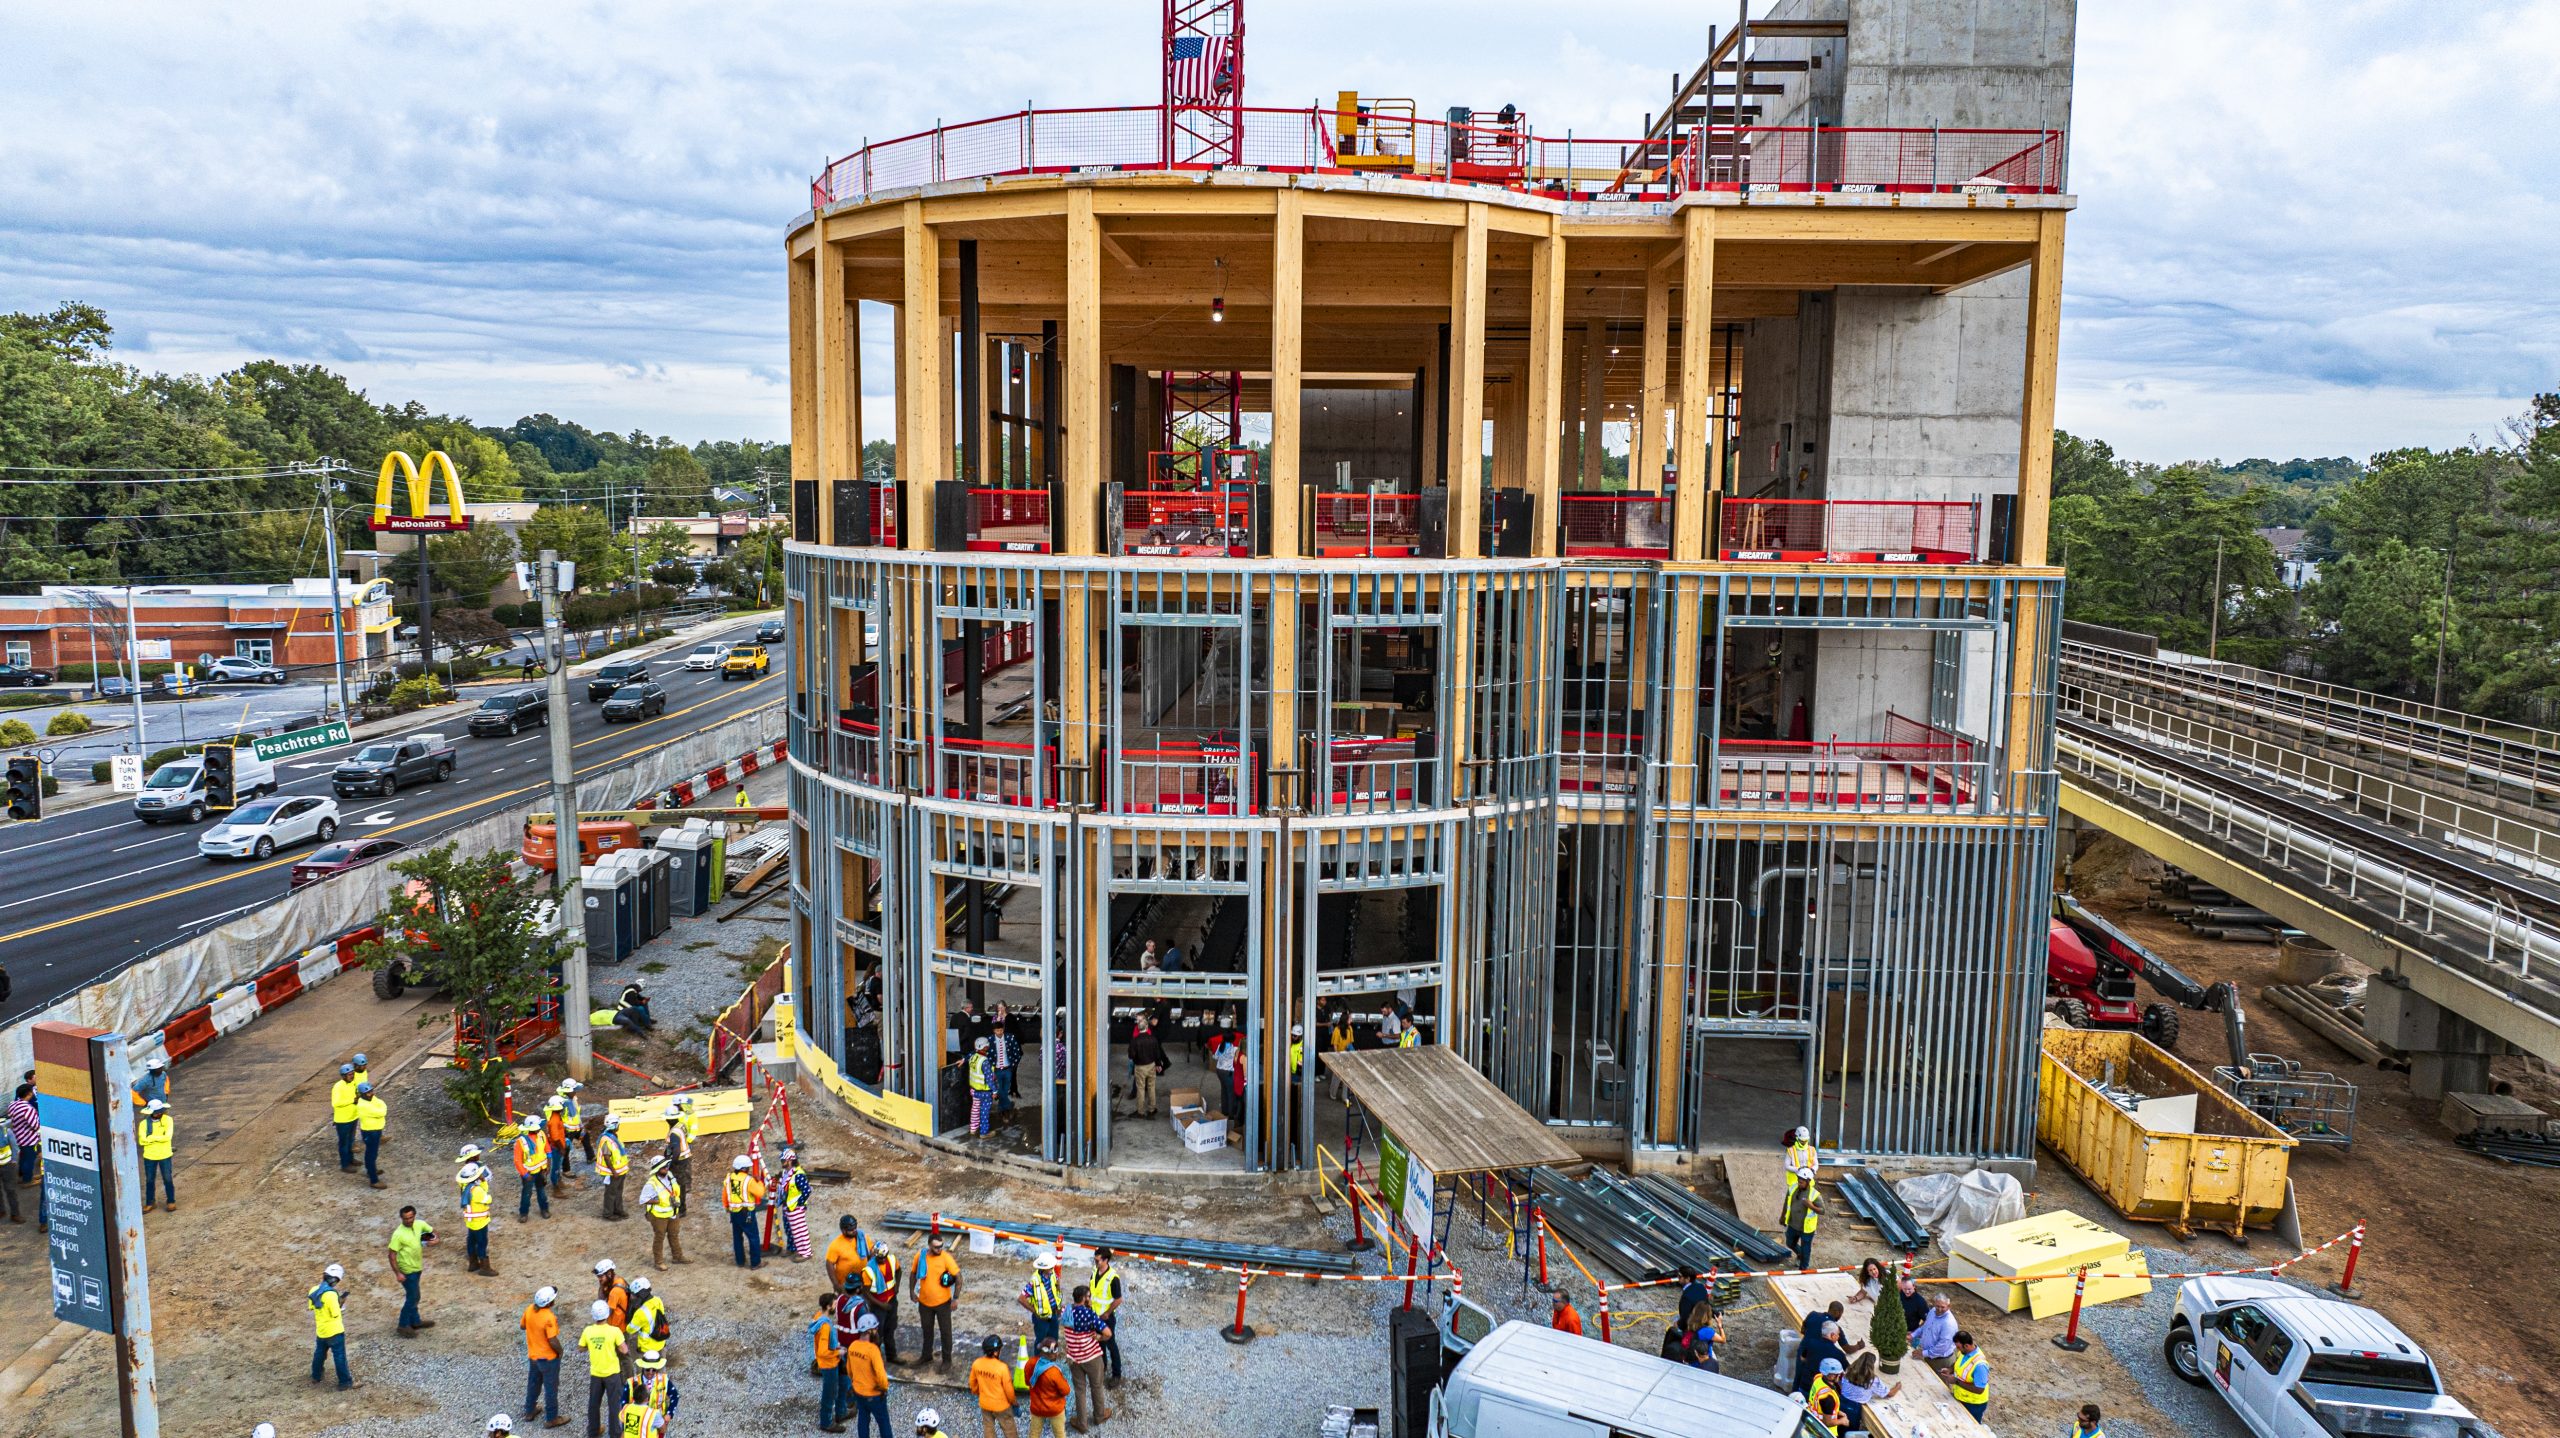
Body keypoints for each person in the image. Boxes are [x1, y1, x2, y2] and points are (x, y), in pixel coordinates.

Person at [910, 1229, 962, 1371]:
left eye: (941, 1246)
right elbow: (913, 1274)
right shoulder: (920, 1257)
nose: (939, 1249)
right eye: (936, 1247)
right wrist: (911, 1291)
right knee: (927, 1330)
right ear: (929, 1246)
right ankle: (926, 1356)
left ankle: (947, 1360)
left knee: (946, 1332)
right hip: (924, 1303)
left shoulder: (946, 1258)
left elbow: (959, 1277)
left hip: (943, 1304)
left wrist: (955, 1298)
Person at [1062, 1286, 1112, 1430]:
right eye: (1088, 1296)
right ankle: (1099, 1416)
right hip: (1091, 1358)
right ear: (1084, 1298)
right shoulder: (1089, 1315)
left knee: (1080, 1390)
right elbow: (1108, 1333)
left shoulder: (1066, 1311)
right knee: (1096, 1387)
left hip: (1074, 1358)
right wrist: (1099, 1337)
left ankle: (1082, 1424)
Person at [579, 1297, 630, 1438]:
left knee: (594, 1404)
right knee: (614, 1405)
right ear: (607, 1314)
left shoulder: (588, 1331)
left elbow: (581, 1348)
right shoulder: (614, 1331)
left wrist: (592, 1345)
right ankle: (615, 1433)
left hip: (596, 1373)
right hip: (612, 1373)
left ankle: (593, 1431)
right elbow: (624, 1350)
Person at [387, 1204, 437, 1335]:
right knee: (413, 1297)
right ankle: (403, 1325)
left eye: (410, 1217)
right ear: (401, 1218)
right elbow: (391, 1255)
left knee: (414, 1296)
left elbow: (432, 1234)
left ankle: (415, 1321)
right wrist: (398, 1273)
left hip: (417, 1267)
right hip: (407, 1271)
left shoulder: (419, 1224)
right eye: (406, 1218)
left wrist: (432, 1240)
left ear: (414, 1216)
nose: (408, 1221)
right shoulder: (398, 1234)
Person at [523, 1286, 567, 1430]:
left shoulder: (529, 1309)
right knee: (551, 1388)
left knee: (533, 1383)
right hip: (548, 1359)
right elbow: (552, 1340)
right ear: (549, 1303)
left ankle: (529, 1411)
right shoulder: (548, 1317)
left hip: (533, 1357)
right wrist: (560, 1351)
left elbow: (522, 1326)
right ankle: (552, 1418)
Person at [844, 1308, 892, 1438]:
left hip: (859, 1392)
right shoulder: (873, 1350)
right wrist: (883, 1387)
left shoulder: (853, 1346)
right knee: (883, 1423)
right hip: (874, 1394)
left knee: (863, 1421)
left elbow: (849, 1370)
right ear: (870, 1331)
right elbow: (881, 1375)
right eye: (875, 1329)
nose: (876, 1331)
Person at [308, 1262, 352, 1390]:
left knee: (319, 1353)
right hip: (335, 1331)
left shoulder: (313, 1290)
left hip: (321, 1330)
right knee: (339, 1356)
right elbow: (335, 1313)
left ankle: (316, 1376)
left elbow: (312, 1306)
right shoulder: (331, 1295)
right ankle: (345, 1382)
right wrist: (341, 1302)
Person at [814, 1291, 852, 1434]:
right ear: (829, 1306)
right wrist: (838, 1352)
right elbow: (823, 1351)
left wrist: (836, 1346)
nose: (837, 1307)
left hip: (832, 1361)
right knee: (829, 1393)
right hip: (828, 1364)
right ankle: (826, 1422)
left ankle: (841, 1411)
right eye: (835, 1304)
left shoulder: (819, 1317)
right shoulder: (825, 1327)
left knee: (842, 1383)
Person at [968, 1334, 1020, 1438]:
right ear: (996, 1352)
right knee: (1009, 1430)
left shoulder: (977, 1364)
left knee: (988, 1429)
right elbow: (1009, 1391)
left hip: (985, 1403)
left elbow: (972, 1384)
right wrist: (1014, 1403)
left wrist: (979, 1393)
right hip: (1001, 1406)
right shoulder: (1002, 1368)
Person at [723, 1153, 768, 1268]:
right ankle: (755, 1262)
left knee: (737, 1237)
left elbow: (725, 1195)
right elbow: (760, 1192)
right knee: (753, 1237)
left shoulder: (729, 1178)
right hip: (746, 1213)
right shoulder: (749, 1180)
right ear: (744, 1168)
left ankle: (740, 1261)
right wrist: (759, 1181)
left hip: (734, 1213)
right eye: (748, 1167)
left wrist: (727, 1207)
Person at [1022, 1336, 1072, 1438]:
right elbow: (1066, 1390)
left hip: (1037, 1407)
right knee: (1060, 1434)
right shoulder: (1054, 1372)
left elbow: (1027, 1382)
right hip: (1054, 1409)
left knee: (1034, 1433)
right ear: (1053, 1353)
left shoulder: (1031, 1363)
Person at [641, 1156, 686, 1268]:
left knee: (674, 1235)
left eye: (667, 1166)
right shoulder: (651, 1184)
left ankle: (678, 1256)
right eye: (663, 1167)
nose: (666, 1168)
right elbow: (643, 1199)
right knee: (659, 1237)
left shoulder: (670, 1176)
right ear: (657, 1169)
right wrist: (658, 1201)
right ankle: (659, 1262)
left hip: (672, 1212)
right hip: (658, 1216)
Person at [1087, 1249, 1123, 1387]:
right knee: (1099, 1343)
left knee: (1111, 1344)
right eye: (1095, 1260)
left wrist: (1107, 1313)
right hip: (1095, 1316)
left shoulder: (1113, 1278)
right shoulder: (1095, 1272)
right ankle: (1103, 1367)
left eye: (1097, 1260)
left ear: (1106, 1260)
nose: (1095, 1262)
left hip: (1106, 1318)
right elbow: (1092, 1290)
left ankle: (1116, 1374)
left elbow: (1118, 1299)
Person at [1839, 1350, 1897, 1434]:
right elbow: (1889, 1394)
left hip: (1842, 1401)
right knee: (1850, 1431)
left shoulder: (1849, 1371)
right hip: (1854, 1407)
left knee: (1840, 1428)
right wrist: (1897, 1387)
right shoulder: (1872, 1379)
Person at [1019, 1251, 1065, 1346]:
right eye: (1050, 1266)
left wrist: (1058, 1307)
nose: (1052, 1268)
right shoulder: (1034, 1282)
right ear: (1044, 1268)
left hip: (1053, 1313)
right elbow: (1021, 1298)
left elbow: (1057, 1287)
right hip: (1041, 1319)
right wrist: (1035, 1312)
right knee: (1041, 1342)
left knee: (1053, 1340)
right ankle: (1039, 1359)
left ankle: (1051, 1359)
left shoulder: (1052, 1275)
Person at [137, 1098, 175, 1211]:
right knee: (149, 1180)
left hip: (165, 1154)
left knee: (167, 1179)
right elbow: (141, 1141)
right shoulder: (143, 1124)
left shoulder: (168, 1120)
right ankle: (150, 1202)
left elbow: (168, 1137)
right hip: (149, 1156)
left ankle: (171, 1201)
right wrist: (159, 1138)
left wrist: (151, 1138)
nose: (159, 1113)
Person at [1780, 1165, 1820, 1269]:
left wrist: (1811, 1206)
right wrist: (1783, 1216)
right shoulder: (1793, 1188)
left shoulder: (1814, 1195)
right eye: (1798, 1180)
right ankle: (1800, 1253)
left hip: (1806, 1228)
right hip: (1793, 1224)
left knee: (1806, 1249)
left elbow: (1823, 1211)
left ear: (1808, 1181)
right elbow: (1786, 1202)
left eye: (1801, 1182)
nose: (1799, 1183)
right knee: (1789, 1242)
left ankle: (1803, 1269)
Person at [777, 1146, 813, 1259]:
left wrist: (799, 1204)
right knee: (789, 1229)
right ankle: (792, 1248)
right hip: (787, 1206)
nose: (782, 1162)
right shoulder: (786, 1173)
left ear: (790, 1160)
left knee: (800, 1230)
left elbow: (807, 1190)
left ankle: (806, 1253)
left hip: (795, 1207)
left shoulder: (798, 1175)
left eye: (783, 1160)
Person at [513, 1119, 553, 1220]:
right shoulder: (520, 1142)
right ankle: (523, 1213)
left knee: (541, 1191)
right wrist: (525, 1175)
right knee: (527, 1193)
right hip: (528, 1173)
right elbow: (517, 1160)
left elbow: (547, 1149)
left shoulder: (541, 1135)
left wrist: (548, 1165)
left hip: (541, 1170)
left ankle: (544, 1209)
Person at [1125, 1018, 1165, 1119]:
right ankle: (1152, 1109)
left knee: (1141, 1089)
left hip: (1140, 1067)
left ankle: (1140, 1111)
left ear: (1138, 1028)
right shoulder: (1153, 1039)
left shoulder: (1135, 1040)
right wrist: (1158, 1064)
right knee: (1151, 1087)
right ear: (1147, 1027)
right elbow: (1157, 1053)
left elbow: (1131, 1055)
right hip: (1151, 1066)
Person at [1911, 1293, 1959, 1376]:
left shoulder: (1949, 1323)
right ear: (1934, 1304)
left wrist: (1923, 1353)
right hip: (1929, 1356)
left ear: (1948, 1306)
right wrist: (1913, 1335)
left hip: (1941, 1361)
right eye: (1937, 1306)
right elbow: (1925, 1326)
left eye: (1942, 1307)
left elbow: (1942, 1346)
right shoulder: (1933, 1311)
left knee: (1939, 1385)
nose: (1939, 1309)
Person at [625, 1275, 669, 1365]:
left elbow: (630, 1329)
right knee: (660, 1374)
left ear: (641, 1295)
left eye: (633, 1294)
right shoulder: (658, 1300)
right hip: (661, 1344)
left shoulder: (640, 1313)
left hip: (646, 1350)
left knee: (643, 1374)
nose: (631, 1297)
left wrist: (632, 1308)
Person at [1947, 1331, 1989, 1423]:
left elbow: (1979, 1389)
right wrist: (1950, 1369)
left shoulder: (1980, 1366)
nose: (1957, 1350)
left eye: (1958, 1347)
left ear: (1966, 1346)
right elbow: (1958, 1363)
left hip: (1973, 1404)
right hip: (1960, 1397)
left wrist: (1956, 1381)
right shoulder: (1963, 1352)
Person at [354, 1080, 389, 1189]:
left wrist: (381, 1106)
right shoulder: (364, 1105)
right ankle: (373, 1180)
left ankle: (371, 1170)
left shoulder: (369, 1099)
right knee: (371, 1155)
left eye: (371, 1091)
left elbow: (381, 1103)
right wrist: (381, 1108)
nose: (372, 1094)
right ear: (362, 1094)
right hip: (371, 1132)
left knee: (372, 1153)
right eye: (368, 1092)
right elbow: (382, 1111)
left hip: (375, 1131)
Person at [596, 1115, 630, 1222]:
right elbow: (606, 1157)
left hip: (620, 1171)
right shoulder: (606, 1139)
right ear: (614, 1125)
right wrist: (613, 1171)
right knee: (611, 1193)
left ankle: (618, 1210)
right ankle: (608, 1213)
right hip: (612, 1172)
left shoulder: (613, 1136)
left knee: (618, 1191)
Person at [662, 1102, 694, 1217]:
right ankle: (681, 1208)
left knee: (678, 1185)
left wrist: (669, 1164)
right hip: (685, 1158)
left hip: (679, 1161)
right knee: (681, 1184)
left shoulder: (674, 1133)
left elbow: (676, 1150)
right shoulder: (681, 1125)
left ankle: (681, 1209)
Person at [329, 1063, 361, 1171]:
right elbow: (336, 1103)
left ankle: (351, 1159)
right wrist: (352, 1100)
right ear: (343, 1076)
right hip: (343, 1120)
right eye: (349, 1074)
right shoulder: (338, 1087)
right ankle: (345, 1165)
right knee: (344, 1142)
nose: (352, 1076)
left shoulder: (353, 1084)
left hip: (353, 1117)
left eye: (352, 1074)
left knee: (351, 1140)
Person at [828, 1214, 870, 1293]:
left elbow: (870, 1253)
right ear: (843, 1230)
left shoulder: (863, 1237)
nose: (854, 1231)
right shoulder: (836, 1244)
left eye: (855, 1228)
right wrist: (836, 1284)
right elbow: (829, 1264)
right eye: (851, 1230)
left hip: (862, 1281)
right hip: (845, 1284)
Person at [989, 1005, 1018, 1117]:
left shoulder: (1010, 1038)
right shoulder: (990, 1040)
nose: (999, 1032)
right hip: (996, 1069)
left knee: (1005, 1089)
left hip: (1007, 1068)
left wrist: (1014, 1064)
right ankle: (1004, 1108)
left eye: (1001, 1030)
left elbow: (1016, 1051)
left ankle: (1004, 1106)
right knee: (1000, 1089)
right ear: (994, 1031)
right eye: (997, 1030)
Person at [1807, 1356, 1848, 1433]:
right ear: (1829, 1375)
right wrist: (1842, 1421)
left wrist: (1837, 1412)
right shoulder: (1828, 1397)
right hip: (1824, 1431)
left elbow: (1821, 1405)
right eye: (1837, 1374)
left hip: (1813, 1420)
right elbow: (1828, 1422)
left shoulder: (1818, 1378)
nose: (1839, 1376)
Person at [545, 1098, 577, 1190]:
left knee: (558, 1167)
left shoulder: (557, 1116)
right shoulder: (554, 1120)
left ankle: (559, 1182)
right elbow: (555, 1138)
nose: (563, 1107)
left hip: (558, 1146)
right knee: (555, 1168)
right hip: (556, 1148)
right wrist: (561, 1149)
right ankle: (555, 1187)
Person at [967, 1038, 996, 1137]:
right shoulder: (985, 1062)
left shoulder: (973, 1058)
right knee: (984, 1112)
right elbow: (989, 1079)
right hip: (985, 1092)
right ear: (985, 1047)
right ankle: (984, 1133)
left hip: (974, 1090)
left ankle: (973, 1129)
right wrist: (995, 1090)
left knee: (975, 1109)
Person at [1325, 1011, 1355, 1100]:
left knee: (1347, 1076)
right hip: (1339, 1054)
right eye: (1350, 1018)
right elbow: (1334, 1044)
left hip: (1347, 1054)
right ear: (1346, 1020)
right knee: (1337, 1076)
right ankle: (1332, 1092)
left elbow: (1350, 1042)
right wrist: (1337, 1055)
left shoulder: (1350, 1028)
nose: (1351, 1020)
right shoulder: (1337, 1030)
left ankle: (1345, 1096)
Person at [596, 1258, 631, 1332]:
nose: (599, 1279)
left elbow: (606, 1312)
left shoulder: (615, 1292)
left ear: (609, 1274)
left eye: (601, 1276)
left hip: (617, 1328)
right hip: (621, 1324)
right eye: (598, 1276)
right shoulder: (619, 1280)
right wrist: (602, 1283)